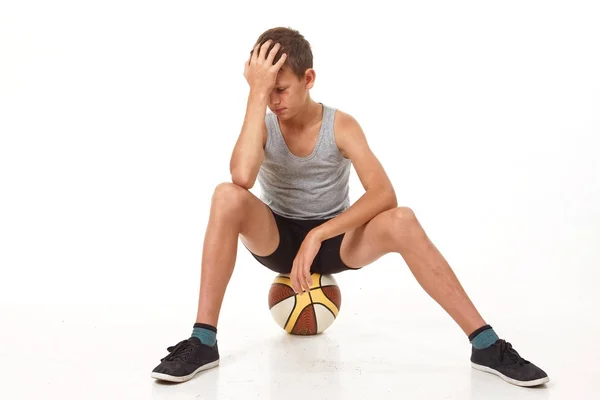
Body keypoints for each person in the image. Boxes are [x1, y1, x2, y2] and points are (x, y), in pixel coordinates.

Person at [151, 27, 549, 387]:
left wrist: (320, 234)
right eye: (265, 90)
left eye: (281, 89)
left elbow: (383, 194)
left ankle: (486, 344)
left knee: (403, 220)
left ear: (308, 79)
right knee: (225, 195)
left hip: (334, 240)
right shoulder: (262, 116)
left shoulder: (340, 125)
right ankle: (203, 341)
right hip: (277, 239)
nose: (274, 101)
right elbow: (241, 179)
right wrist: (256, 95)